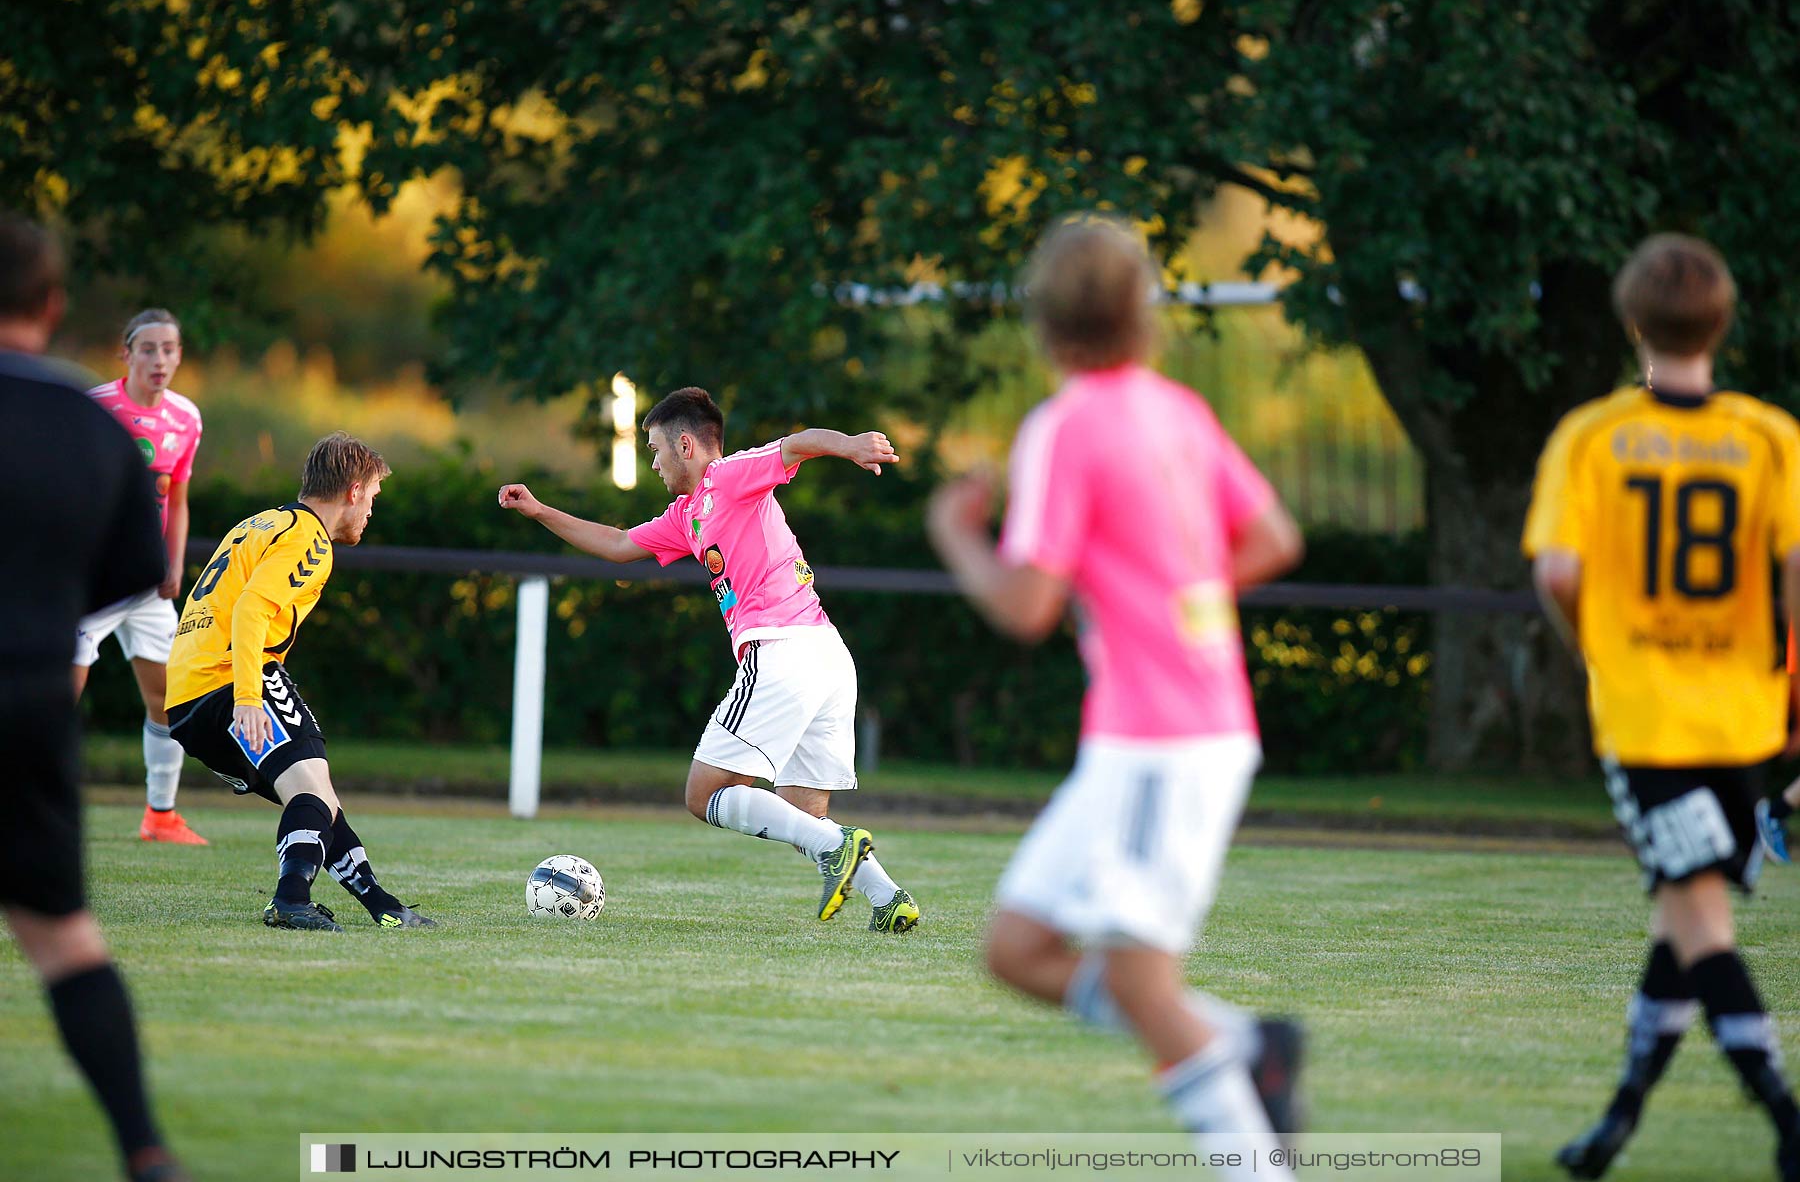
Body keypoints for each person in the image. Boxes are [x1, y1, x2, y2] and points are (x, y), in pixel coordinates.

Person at [926, 214, 1306, 1180]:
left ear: (1041, 328)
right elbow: (1271, 539)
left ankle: (1255, 1166)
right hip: (1170, 730)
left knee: (1139, 979)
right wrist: (1171, 590)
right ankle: (1247, 1048)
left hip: (1161, 739)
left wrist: (956, 531)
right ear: (1148, 316)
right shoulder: (1174, 409)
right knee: (1016, 949)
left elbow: (1026, 604)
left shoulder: (1064, 426)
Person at [1523, 233, 1800, 1181]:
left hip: (1648, 718)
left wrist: (1597, 644)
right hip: (1745, 716)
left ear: (1632, 320)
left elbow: (1558, 570)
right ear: (1722, 323)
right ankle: (1617, 1125)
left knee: (1699, 925)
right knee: (1681, 922)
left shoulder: (1593, 437)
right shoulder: (1769, 436)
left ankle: (1786, 1116)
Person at [498, 389, 920, 932]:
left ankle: (840, 848)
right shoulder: (686, 515)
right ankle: (889, 899)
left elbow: (797, 445)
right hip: (827, 656)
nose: (653, 462)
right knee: (803, 813)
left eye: (655, 449)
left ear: (686, 443)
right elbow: (619, 544)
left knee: (704, 795)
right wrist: (538, 511)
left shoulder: (728, 476)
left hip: (780, 652)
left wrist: (852, 445)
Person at [0, 211, 190, 1181]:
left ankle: (164, 812)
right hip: (28, 699)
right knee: (65, 940)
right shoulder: (87, 424)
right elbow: (130, 567)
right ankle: (146, 1151)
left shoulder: (154, 419)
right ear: (53, 306)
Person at [163, 432, 434, 932]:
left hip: (185, 697)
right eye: (373, 496)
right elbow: (250, 610)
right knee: (311, 790)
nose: (372, 510)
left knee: (314, 797)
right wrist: (248, 696)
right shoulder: (309, 538)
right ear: (353, 490)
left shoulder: (262, 523)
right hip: (234, 680)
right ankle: (290, 901)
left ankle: (382, 905)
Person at [74, 308, 206, 845]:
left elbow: (177, 497)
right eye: (148, 349)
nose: (160, 359)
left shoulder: (187, 417)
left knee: (170, 700)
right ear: (125, 354)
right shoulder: (96, 408)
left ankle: (161, 816)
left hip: (146, 586)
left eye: (169, 349)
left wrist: (173, 564)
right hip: (91, 580)